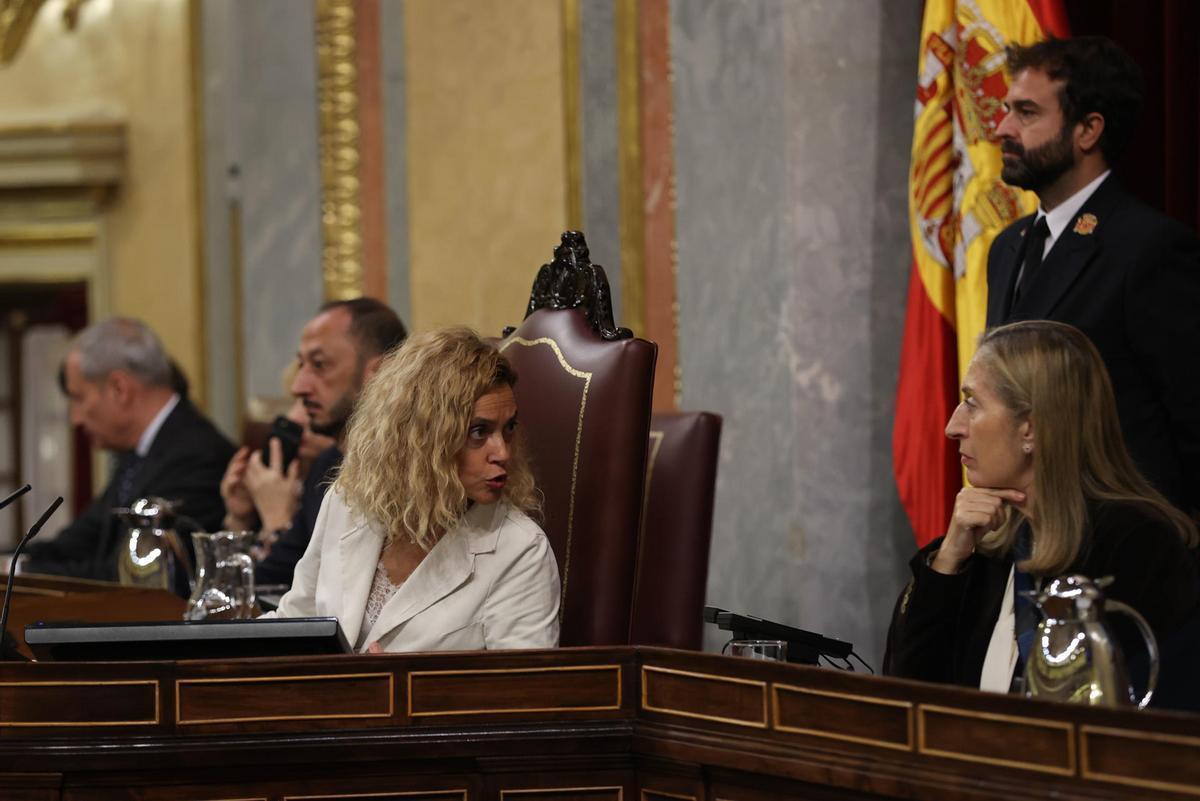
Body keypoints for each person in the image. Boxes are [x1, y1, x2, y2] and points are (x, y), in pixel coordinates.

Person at [885, 321, 1200, 710]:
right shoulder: (982, 548)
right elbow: (905, 701)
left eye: (972, 403)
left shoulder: (1138, 549)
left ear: (1030, 429)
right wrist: (947, 563)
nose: (953, 427)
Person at [986, 36, 1200, 516]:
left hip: (1119, 549)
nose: (1002, 128)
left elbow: (1190, 423)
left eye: (1026, 113)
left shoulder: (1149, 248)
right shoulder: (1007, 247)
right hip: (1024, 539)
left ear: (1088, 130)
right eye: (1006, 110)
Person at [268, 327, 561, 653]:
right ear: (423, 437)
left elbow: (522, 695)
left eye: (508, 429)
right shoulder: (347, 499)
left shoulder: (520, 549)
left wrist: (400, 686)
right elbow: (295, 622)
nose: (503, 452)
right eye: (479, 431)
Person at [24, 318, 235, 582]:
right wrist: (18, 564)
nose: (75, 418)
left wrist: (20, 574)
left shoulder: (197, 456)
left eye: (78, 398)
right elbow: (84, 538)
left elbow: (129, 576)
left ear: (119, 389)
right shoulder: (138, 454)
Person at [221, 297, 406, 586]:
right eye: (301, 365)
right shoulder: (327, 465)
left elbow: (339, 593)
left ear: (380, 372)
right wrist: (239, 521)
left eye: (319, 365)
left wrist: (277, 522)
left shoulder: (406, 470)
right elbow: (268, 585)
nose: (298, 387)